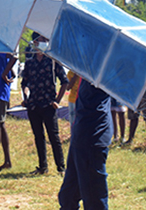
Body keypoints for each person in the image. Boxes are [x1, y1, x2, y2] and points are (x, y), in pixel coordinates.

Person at [58, 81, 112, 210]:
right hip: (81, 135)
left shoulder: (99, 70)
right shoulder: (89, 68)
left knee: (94, 199)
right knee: (68, 195)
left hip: (92, 135)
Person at [20, 33, 68, 175]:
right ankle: (42, 167)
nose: (45, 42)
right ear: (35, 42)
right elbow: (24, 83)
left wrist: (57, 101)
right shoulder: (29, 62)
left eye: (46, 40)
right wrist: (26, 97)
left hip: (48, 104)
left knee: (54, 136)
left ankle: (61, 168)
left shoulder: (53, 61)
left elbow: (64, 81)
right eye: (42, 40)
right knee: (38, 136)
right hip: (33, 105)